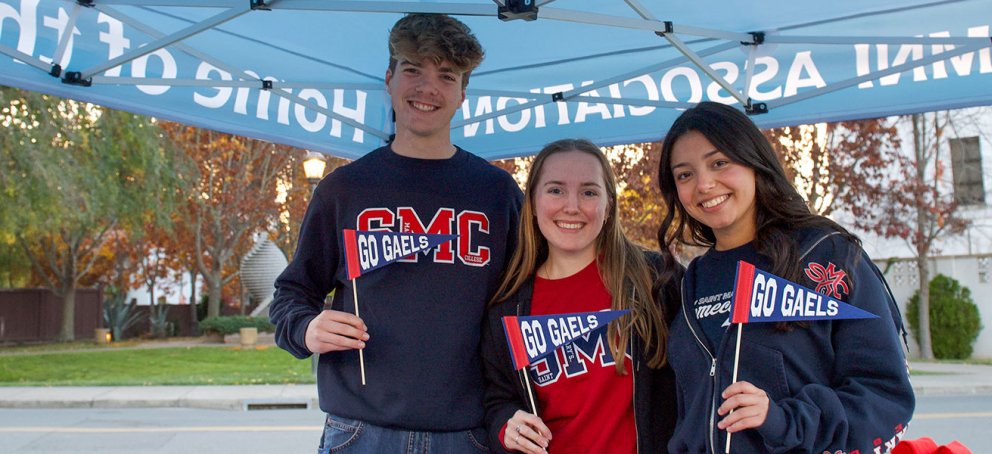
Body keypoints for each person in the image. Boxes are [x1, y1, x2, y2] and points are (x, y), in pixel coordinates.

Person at [269, 13, 523, 453]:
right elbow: (292, 293)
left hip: (468, 433)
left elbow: (529, 298)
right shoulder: (344, 190)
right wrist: (307, 328)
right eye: (413, 70)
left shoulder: (497, 193)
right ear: (388, 79)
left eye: (446, 76)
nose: (427, 88)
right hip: (359, 433)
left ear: (463, 94)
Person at [656, 102, 915, 453]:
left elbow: (885, 396)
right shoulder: (692, 280)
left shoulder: (825, 255)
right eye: (684, 174)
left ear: (753, 162)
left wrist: (782, 420)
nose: (703, 184)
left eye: (719, 163)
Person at [481, 139, 681, 454]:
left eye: (589, 192)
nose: (572, 206)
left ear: (609, 204)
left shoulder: (655, 279)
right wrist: (506, 424)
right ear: (532, 202)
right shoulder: (509, 306)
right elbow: (498, 398)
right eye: (556, 190)